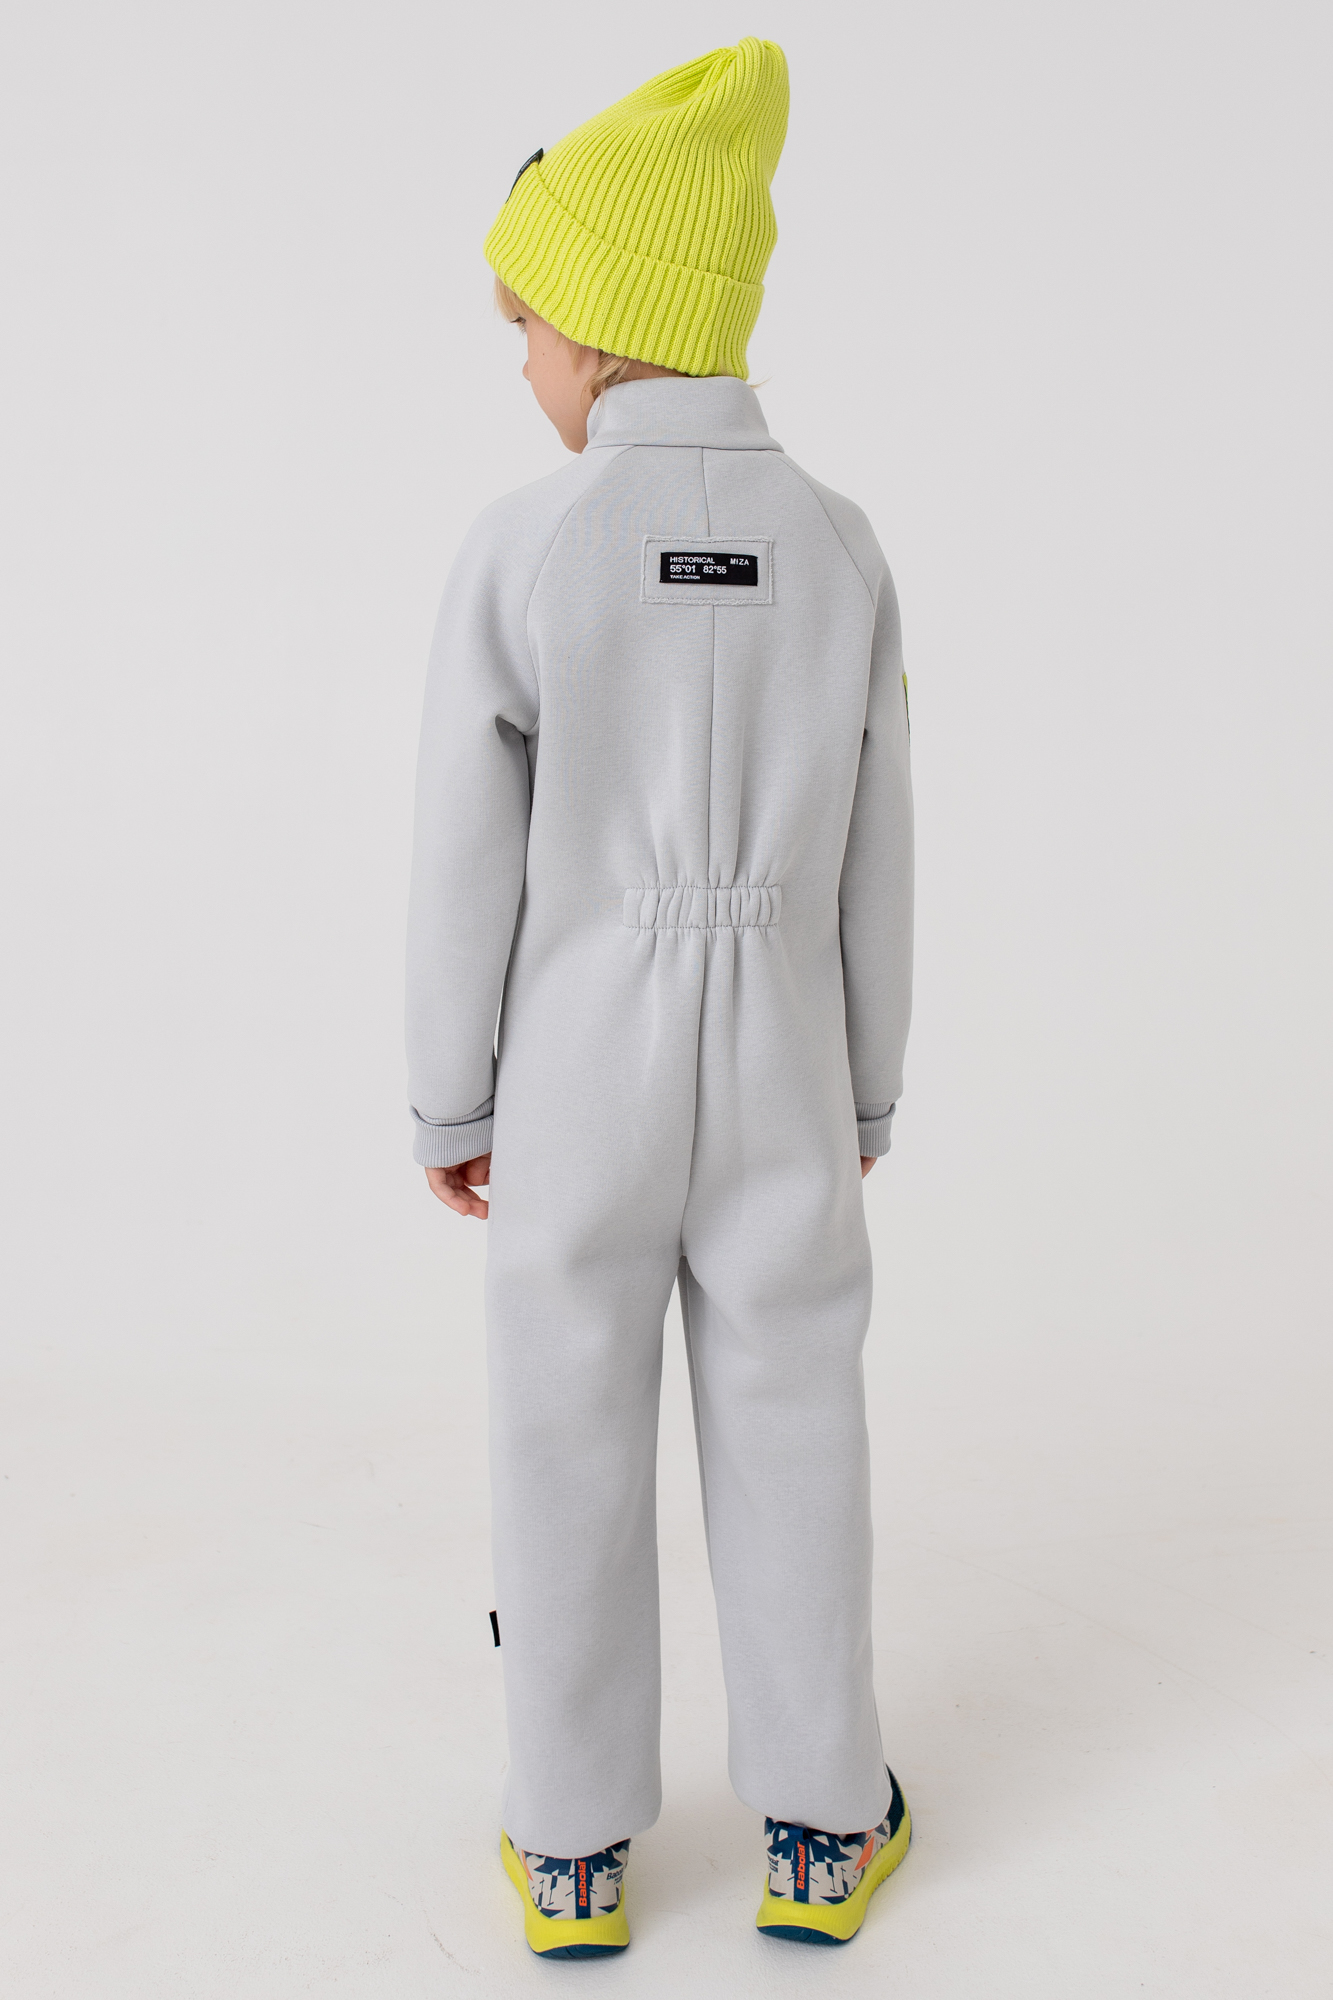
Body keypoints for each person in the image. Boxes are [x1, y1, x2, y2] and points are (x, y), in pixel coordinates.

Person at [405, 38, 914, 1958]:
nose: (520, 361)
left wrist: (454, 1099)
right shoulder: (837, 545)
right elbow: (878, 852)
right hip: (780, 1051)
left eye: (528, 324)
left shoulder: (526, 546)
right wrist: (863, 1091)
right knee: (795, 1422)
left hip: (576, 1073)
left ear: (605, 327)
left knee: (561, 1428)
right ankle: (818, 1827)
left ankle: (572, 1851)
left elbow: (464, 853)